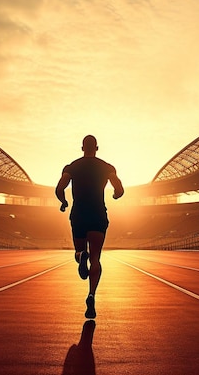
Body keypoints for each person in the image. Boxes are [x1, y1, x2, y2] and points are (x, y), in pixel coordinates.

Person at [55, 135, 124, 319]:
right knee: (96, 258)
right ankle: (91, 295)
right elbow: (119, 187)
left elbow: (59, 188)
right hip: (97, 214)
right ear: (97, 148)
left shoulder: (72, 167)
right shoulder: (106, 167)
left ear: (82, 148)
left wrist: (63, 202)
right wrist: (116, 195)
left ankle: (80, 255)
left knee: (79, 252)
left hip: (79, 214)